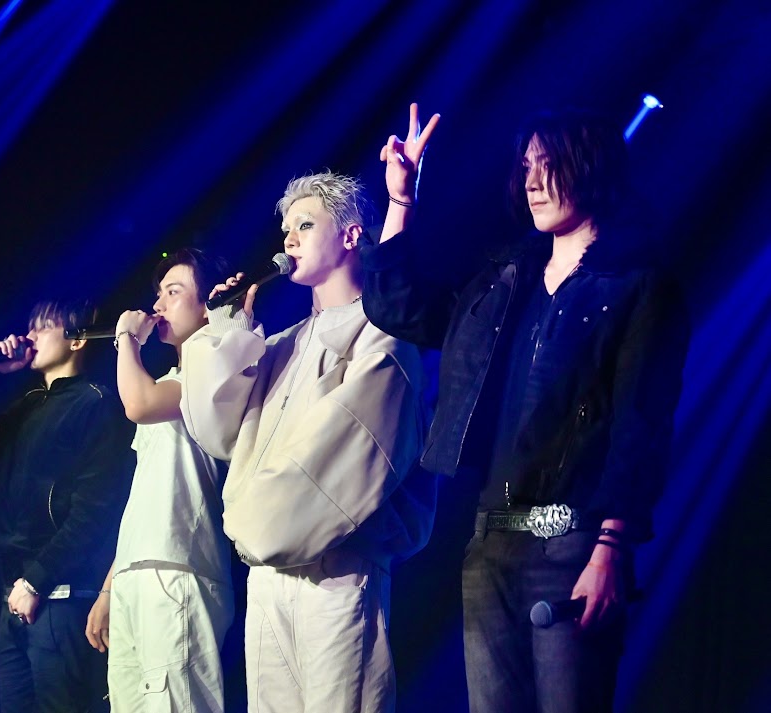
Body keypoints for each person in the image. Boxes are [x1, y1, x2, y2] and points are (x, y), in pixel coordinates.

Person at [360, 103, 689, 712]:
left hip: (573, 542)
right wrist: (401, 200)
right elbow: (396, 306)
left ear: (590, 166)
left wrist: (611, 548)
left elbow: (641, 423)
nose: (532, 181)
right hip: (491, 544)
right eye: (527, 166)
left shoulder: (639, 285)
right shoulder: (506, 280)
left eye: (548, 165)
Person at [179, 172, 437, 712]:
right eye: (285, 229)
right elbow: (216, 430)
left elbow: (347, 452)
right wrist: (226, 331)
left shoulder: (383, 337)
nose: (288, 239)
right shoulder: (280, 344)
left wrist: (254, 523)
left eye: (304, 225)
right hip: (267, 573)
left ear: (351, 235)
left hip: (337, 570)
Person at [0, 297, 135, 713]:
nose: (30, 335)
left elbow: (95, 512)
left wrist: (36, 580)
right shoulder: (27, 405)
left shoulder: (96, 404)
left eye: (43, 326)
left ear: (76, 340)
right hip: (14, 598)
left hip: (60, 598)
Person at [84, 248, 234, 712]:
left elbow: (138, 403)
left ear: (207, 304)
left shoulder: (219, 366)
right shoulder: (170, 377)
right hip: (137, 572)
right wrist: (110, 586)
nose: (159, 304)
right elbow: (144, 497)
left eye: (174, 291)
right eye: (159, 293)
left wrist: (126, 338)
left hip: (180, 569)